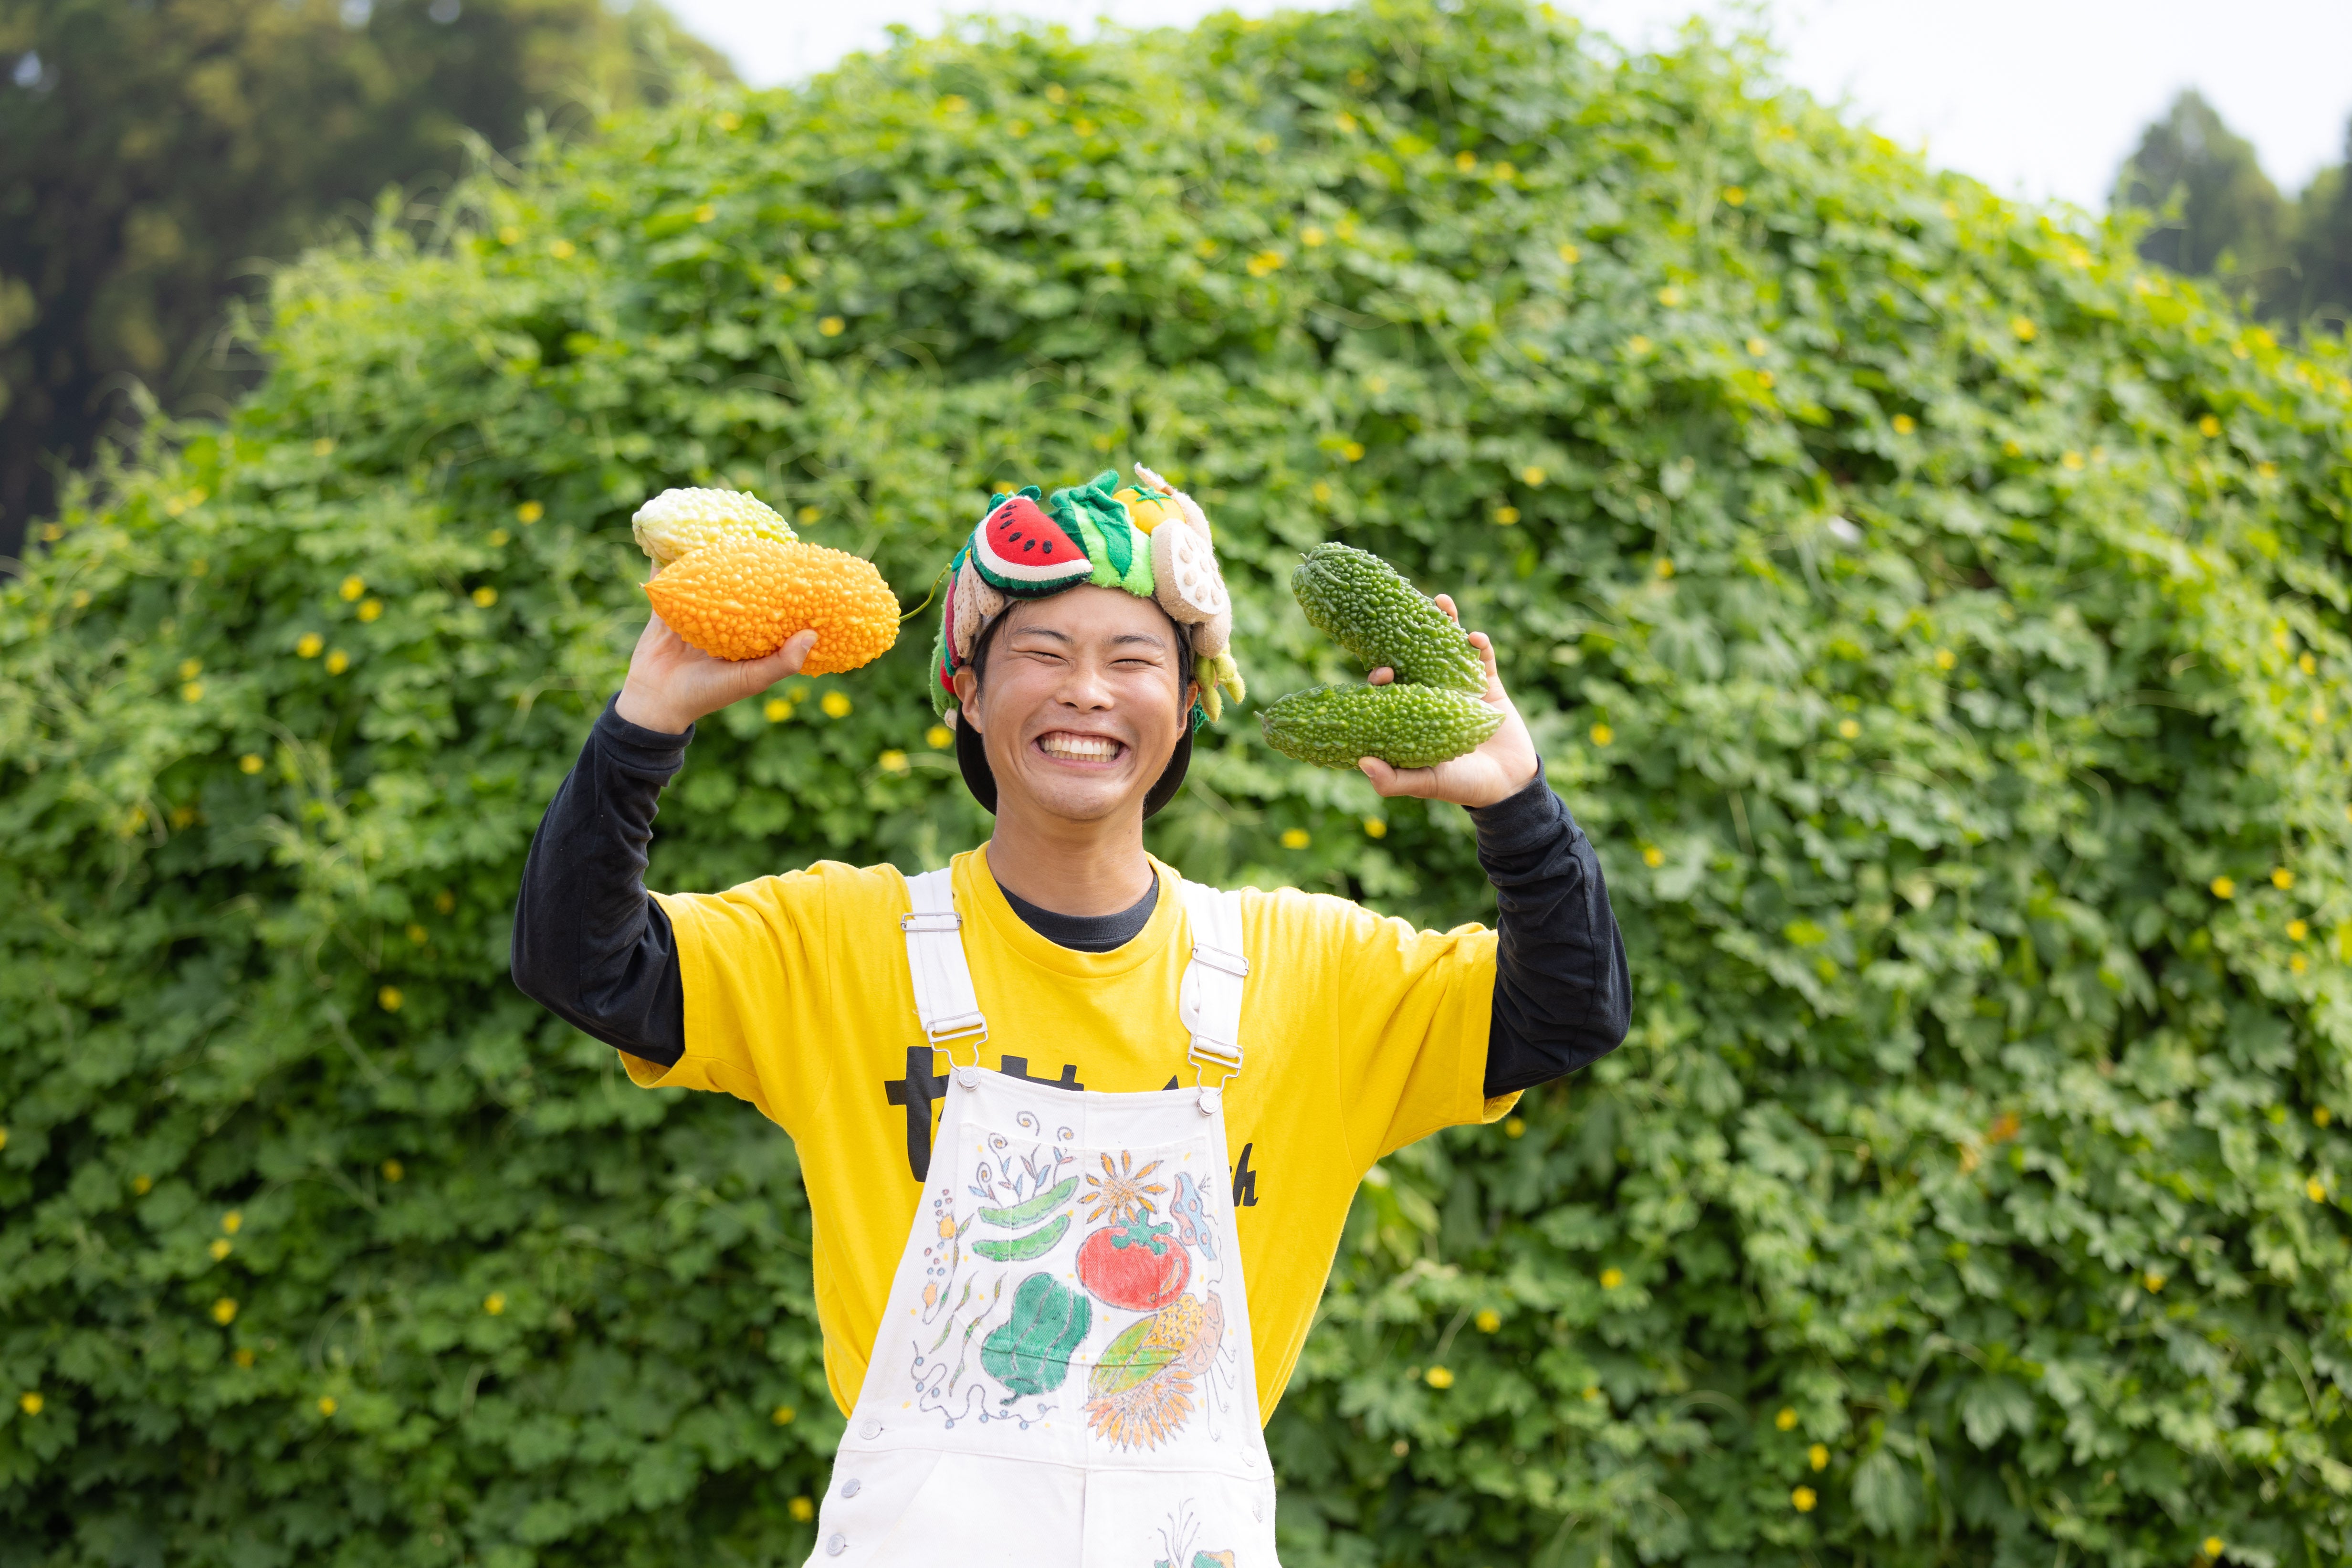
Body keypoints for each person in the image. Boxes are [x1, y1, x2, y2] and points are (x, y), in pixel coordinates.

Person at [512, 466, 1629, 1566]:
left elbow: (1568, 1011)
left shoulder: (1307, 972)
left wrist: (1516, 801)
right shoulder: (840, 943)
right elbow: (582, 963)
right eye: (1042, 653)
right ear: (966, 690)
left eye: (1132, 659)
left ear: (1188, 703)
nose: (1087, 690)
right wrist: (644, 722)